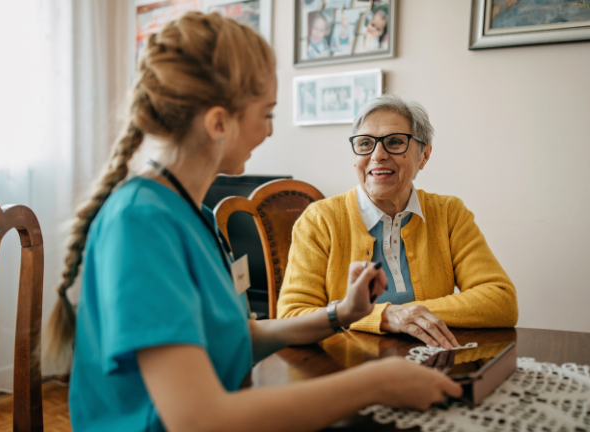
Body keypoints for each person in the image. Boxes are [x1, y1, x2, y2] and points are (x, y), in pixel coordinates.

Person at [44, 13, 461, 432]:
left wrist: (341, 313)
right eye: (266, 113)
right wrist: (373, 382)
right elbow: (198, 419)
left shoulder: (193, 214)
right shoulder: (139, 224)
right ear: (219, 122)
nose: (270, 130)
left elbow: (241, 336)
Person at [277, 94, 519, 350]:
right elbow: (293, 315)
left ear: (424, 155)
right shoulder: (318, 220)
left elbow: (500, 300)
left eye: (394, 142)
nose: (377, 155)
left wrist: (406, 314)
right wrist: (384, 317)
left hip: (431, 364)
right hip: (343, 366)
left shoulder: (449, 213)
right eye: (365, 143)